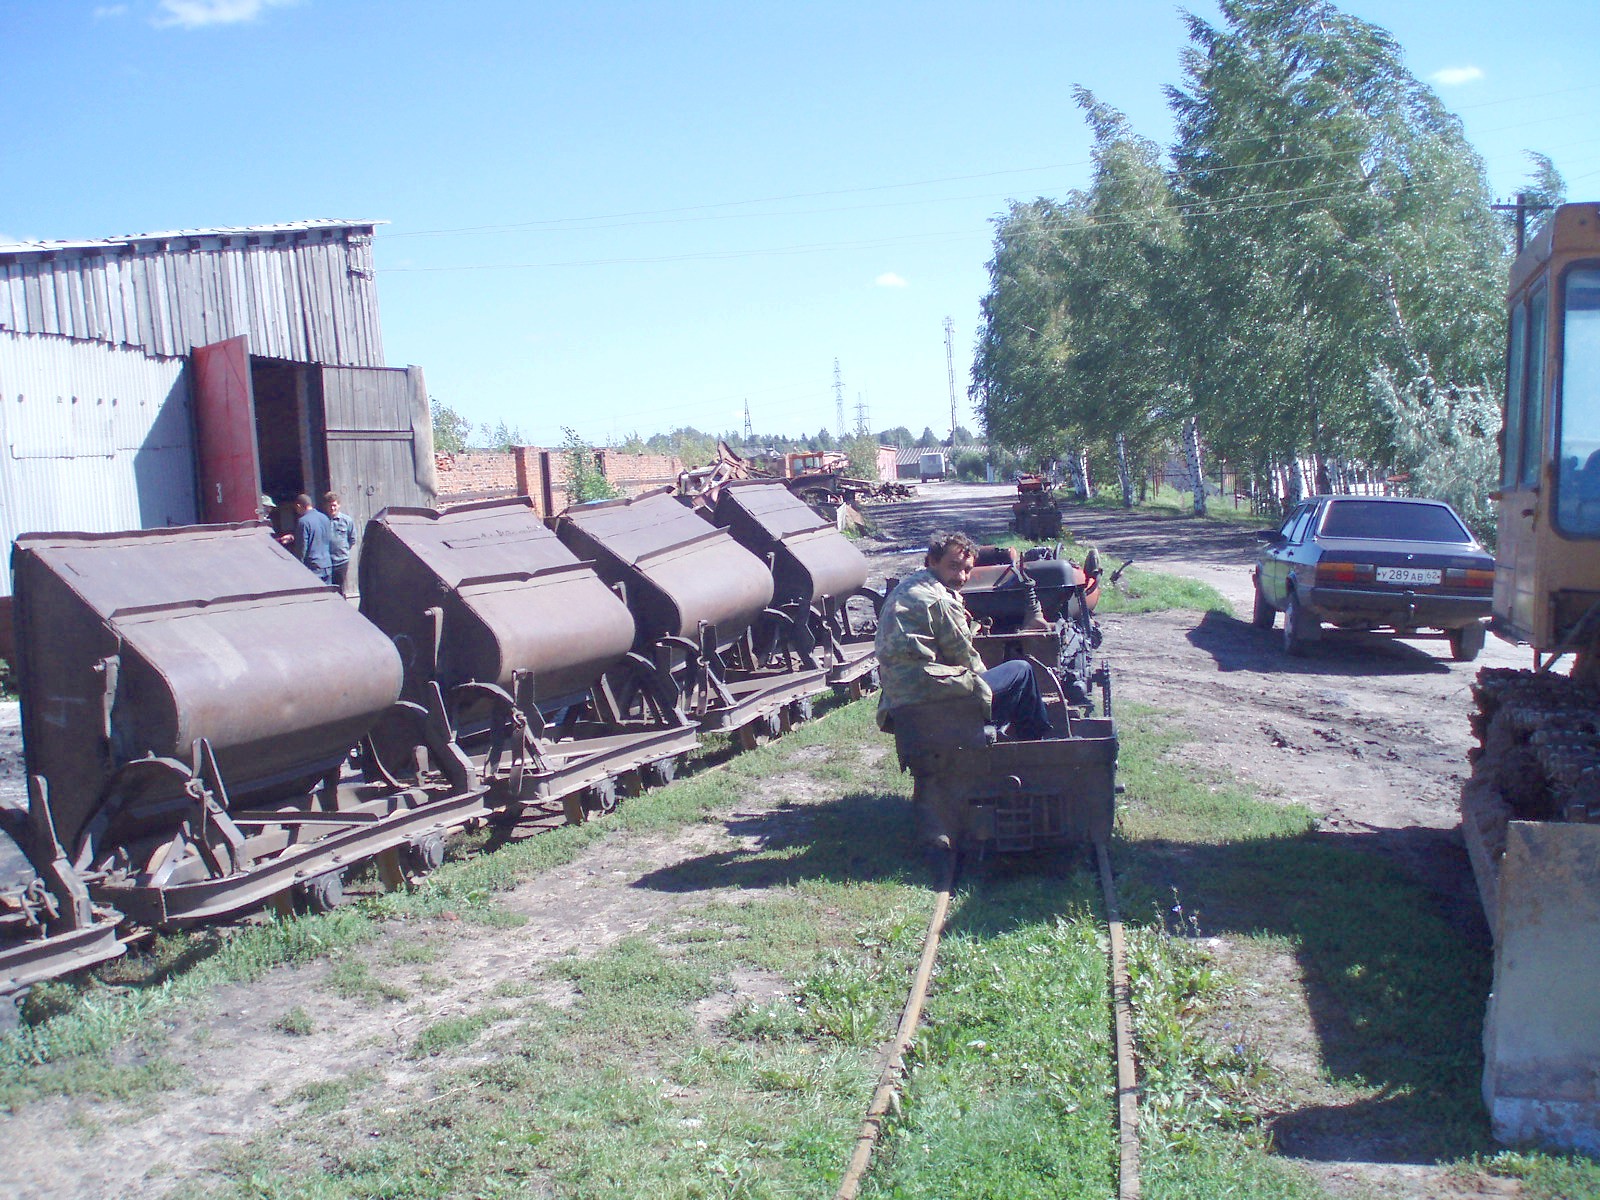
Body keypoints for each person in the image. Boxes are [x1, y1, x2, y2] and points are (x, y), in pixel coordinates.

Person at [874, 530, 1054, 741]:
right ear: (933, 561)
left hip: (897, 695)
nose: (961, 577)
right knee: (1021, 671)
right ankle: (1036, 744)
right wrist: (993, 687)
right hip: (926, 694)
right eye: (953, 566)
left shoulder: (907, 587)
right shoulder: (941, 600)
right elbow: (965, 659)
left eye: (967, 569)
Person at [279, 493, 334, 584]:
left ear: (299, 506)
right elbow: (323, 538)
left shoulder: (303, 522)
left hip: (313, 567)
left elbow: (302, 548)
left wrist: (298, 566)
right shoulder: (324, 518)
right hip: (327, 564)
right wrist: (293, 537)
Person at [323, 491, 358, 594]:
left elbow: (352, 539)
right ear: (326, 506)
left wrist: (343, 550)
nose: (332, 508)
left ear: (339, 505)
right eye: (330, 505)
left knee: (339, 589)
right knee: (327, 590)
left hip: (341, 561)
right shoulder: (322, 520)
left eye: (334, 505)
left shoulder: (347, 521)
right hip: (326, 562)